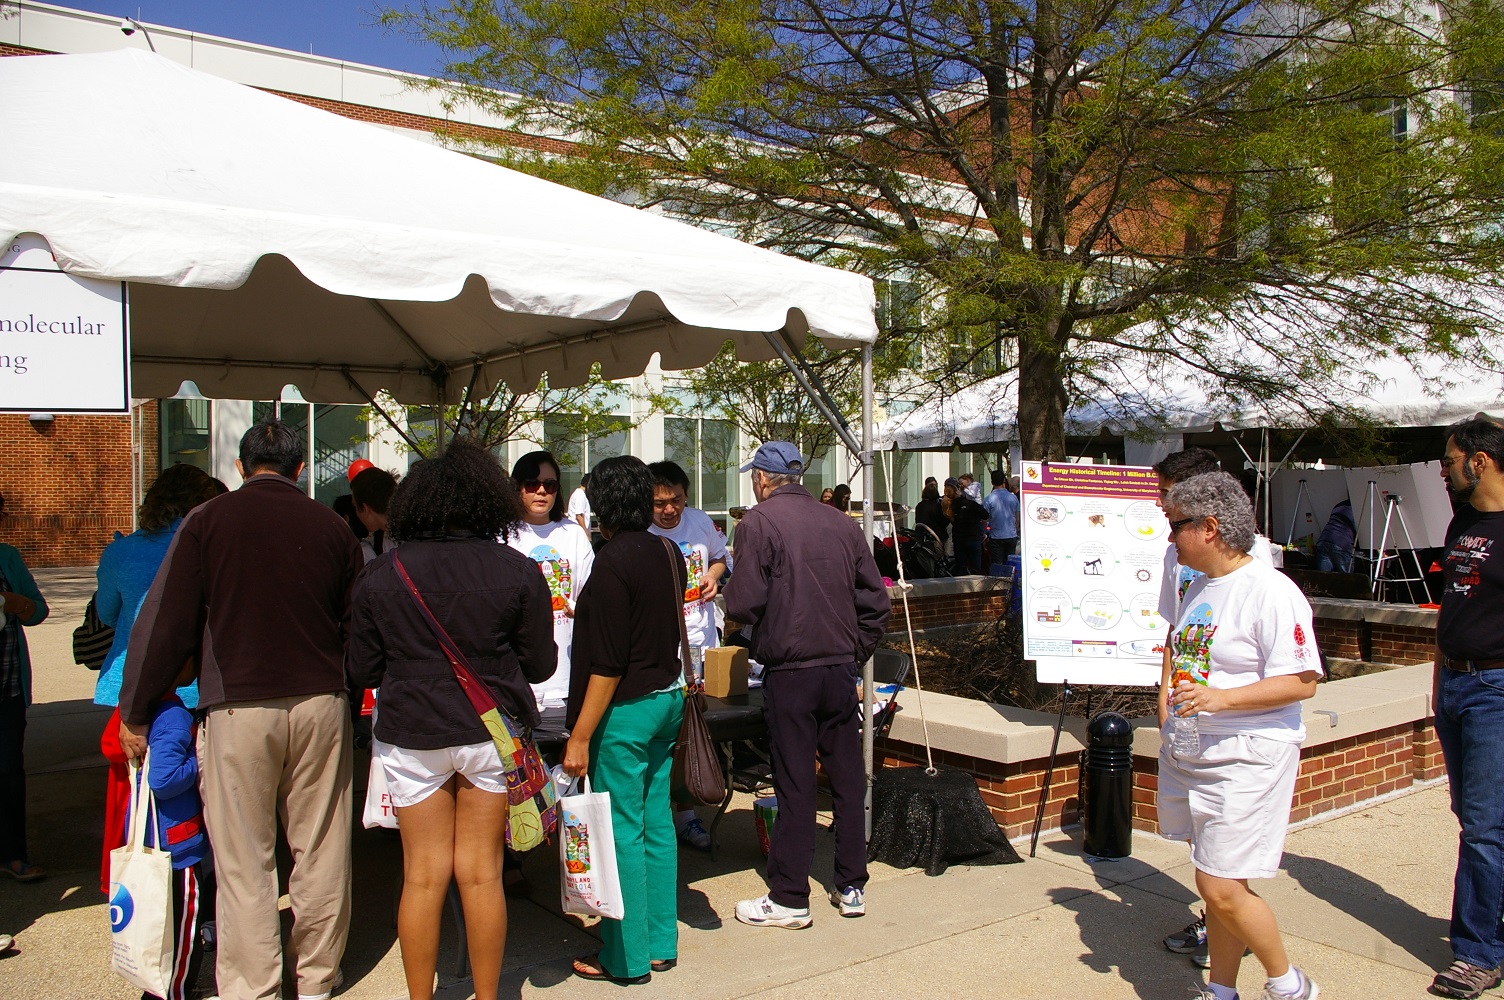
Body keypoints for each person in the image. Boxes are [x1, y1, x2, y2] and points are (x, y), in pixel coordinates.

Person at [118, 420, 364, 1000]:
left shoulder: (206, 523)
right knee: (322, 849)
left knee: (244, 859)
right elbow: (359, 627)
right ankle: (317, 980)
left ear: (239, 466)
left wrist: (136, 706)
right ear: (300, 469)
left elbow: (166, 623)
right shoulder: (334, 528)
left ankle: (254, 986)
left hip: (237, 706)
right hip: (321, 701)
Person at [349, 443, 556, 1000]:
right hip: (489, 734)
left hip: (411, 732)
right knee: (482, 873)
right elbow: (541, 664)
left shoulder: (382, 574)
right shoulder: (518, 570)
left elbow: (362, 667)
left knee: (422, 876)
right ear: (489, 501)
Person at [1158, 472, 1322, 1000]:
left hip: (1247, 756)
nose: (1169, 537)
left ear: (1209, 527)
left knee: (1220, 886)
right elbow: (1177, 648)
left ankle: (1288, 985)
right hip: (1194, 754)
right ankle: (1222, 989)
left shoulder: (1271, 591)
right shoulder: (1200, 586)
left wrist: (1221, 700)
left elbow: (1302, 680)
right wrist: (1166, 704)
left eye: (1175, 525)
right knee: (1219, 879)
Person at [725, 442, 891, 928]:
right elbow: (876, 605)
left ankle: (790, 897)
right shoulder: (842, 522)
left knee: (796, 782)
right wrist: (851, 651)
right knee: (844, 777)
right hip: (838, 669)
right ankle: (851, 884)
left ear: (761, 478)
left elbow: (744, 603)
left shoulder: (757, 522)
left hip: (793, 671)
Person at [564, 456, 686, 985]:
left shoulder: (611, 562)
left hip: (627, 710)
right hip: (668, 698)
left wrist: (580, 735)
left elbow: (608, 664)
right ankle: (660, 942)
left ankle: (626, 957)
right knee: (656, 823)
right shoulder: (666, 549)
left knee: (621, 833)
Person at [1153, 447, 1275, 969]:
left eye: (1168, 500)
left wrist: (1220, 698)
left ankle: (1281, 975)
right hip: (1190, 733)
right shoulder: (1183, 563)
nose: (1162, 510)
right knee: (1206, 856)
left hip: (1238, 739)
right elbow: (1176, 628)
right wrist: (1163, 699)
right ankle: (1222, 948)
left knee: (1223, 873)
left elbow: (1291, 670)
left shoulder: (1258, 567)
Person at [94, 464, 223, 894]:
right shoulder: (204, 546)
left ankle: (140, 882)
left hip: (129, 690)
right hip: (191, 686)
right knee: (198, 791)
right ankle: (197, 881)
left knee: (133, 799)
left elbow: (108, 615)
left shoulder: (121, 552)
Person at [1430, 416, 1504, 999]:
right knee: (1474, 815)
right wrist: (1439, 684)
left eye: (1449, 458)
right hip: (1454, 686)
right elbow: (1452, 614)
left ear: (1478, 460)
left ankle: (1478, 953)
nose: (1443, 468)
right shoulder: (1464, 521)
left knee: (1483, 827)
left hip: (1496, 691)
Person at [111, 656, 215, 1000]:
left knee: (157, 925)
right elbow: (164, 778)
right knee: (184, 930)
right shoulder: (173, 716)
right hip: (177, 846)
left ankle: (158, 991)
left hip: (152, 835)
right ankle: (176, 992)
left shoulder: (142, 714)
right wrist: (198, 759)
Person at [645, 460, 729, 852]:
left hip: (702, 644)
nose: (668, 509)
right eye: (660, 502)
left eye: (675, 500)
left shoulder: (699, 523)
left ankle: (687, 815)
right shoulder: (640, 533)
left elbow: (719, 557)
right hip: (661, 651)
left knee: (694, 734)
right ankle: (660, 817)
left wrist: (713, 574)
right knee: (664, 737)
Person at [506, 451, 595, 713]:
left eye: (550, 485)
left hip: (566, 677)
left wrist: (583, 609)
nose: (542, 491)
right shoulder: (502, 535)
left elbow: (591, 595)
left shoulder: (573, 535)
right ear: (518, 488)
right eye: (532, 484)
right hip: (517, 681)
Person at [0, 490, 49, 883]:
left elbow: (38, 611)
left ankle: (13, 854)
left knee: (10, 775)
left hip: (7, 689)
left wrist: (13, 602)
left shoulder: (8, 557)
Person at [350, 464, 399, 563]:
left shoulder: (406, 536)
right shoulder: (388, 534)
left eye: (356, 507)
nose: (356, 514)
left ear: (365, 509)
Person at [945, 477, 988, 575]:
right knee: (976, 570)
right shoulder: (971, 504)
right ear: (958, 490)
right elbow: (986, 515)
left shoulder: (948, 506)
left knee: (961, 569)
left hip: (959, 540)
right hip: (973, 538)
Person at [982, 469, 1020, 569]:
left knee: (997, 566)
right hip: (1011, 535)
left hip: (996, 536)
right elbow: (1017, 518)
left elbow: (984, 519)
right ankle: (1010, 583)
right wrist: (1016, 529)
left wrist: (984, 532)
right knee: (1010, 565)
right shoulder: (1013, 498)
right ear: (1004, 481)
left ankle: (999, 583)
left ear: (992, 482)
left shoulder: (988, 499)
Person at [1313, 498, 1356, 574]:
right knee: (1347, 581)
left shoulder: (1339, 505)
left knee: (1324, 580)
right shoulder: (1357, 509)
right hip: (1341, 544)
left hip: (1323, 541)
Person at [913, 482, 949, 548]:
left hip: (921, 535)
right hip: (936, 536)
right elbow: (943, 522)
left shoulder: (919, 505)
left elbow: (917, 520)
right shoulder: (938, 505)